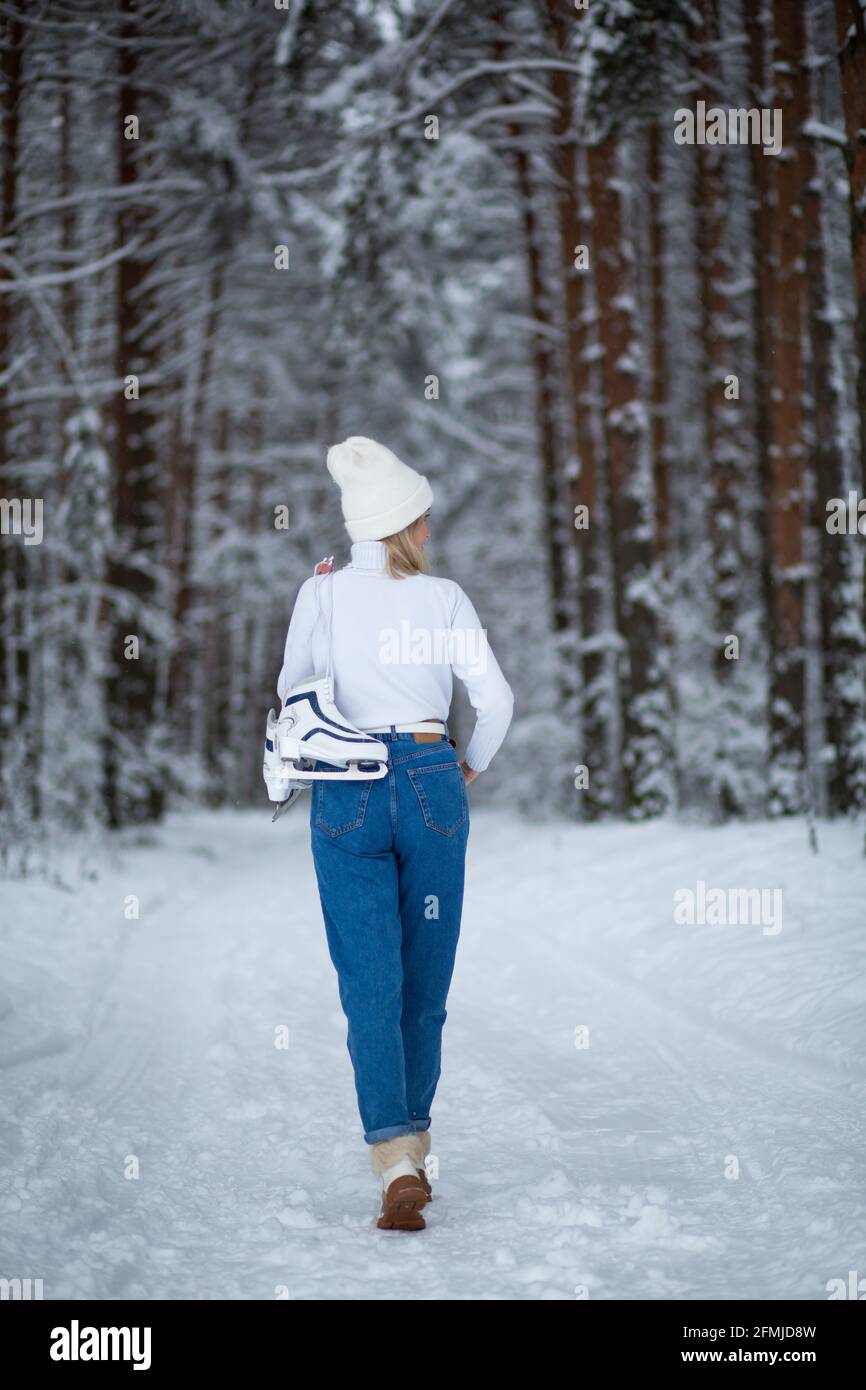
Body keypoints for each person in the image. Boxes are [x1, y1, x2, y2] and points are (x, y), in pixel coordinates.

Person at [275, 436, 514, 1230]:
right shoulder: (443, 597)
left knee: (368, 984)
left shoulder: (323, 594)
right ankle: (417, 1139)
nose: (431, 533)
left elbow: (293, 699)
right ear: (404, 525)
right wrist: (466, 764)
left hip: (346, 792)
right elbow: (498, 703)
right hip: (428, 779)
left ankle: (396, 1161)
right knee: (426, 983)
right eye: (424, 519)